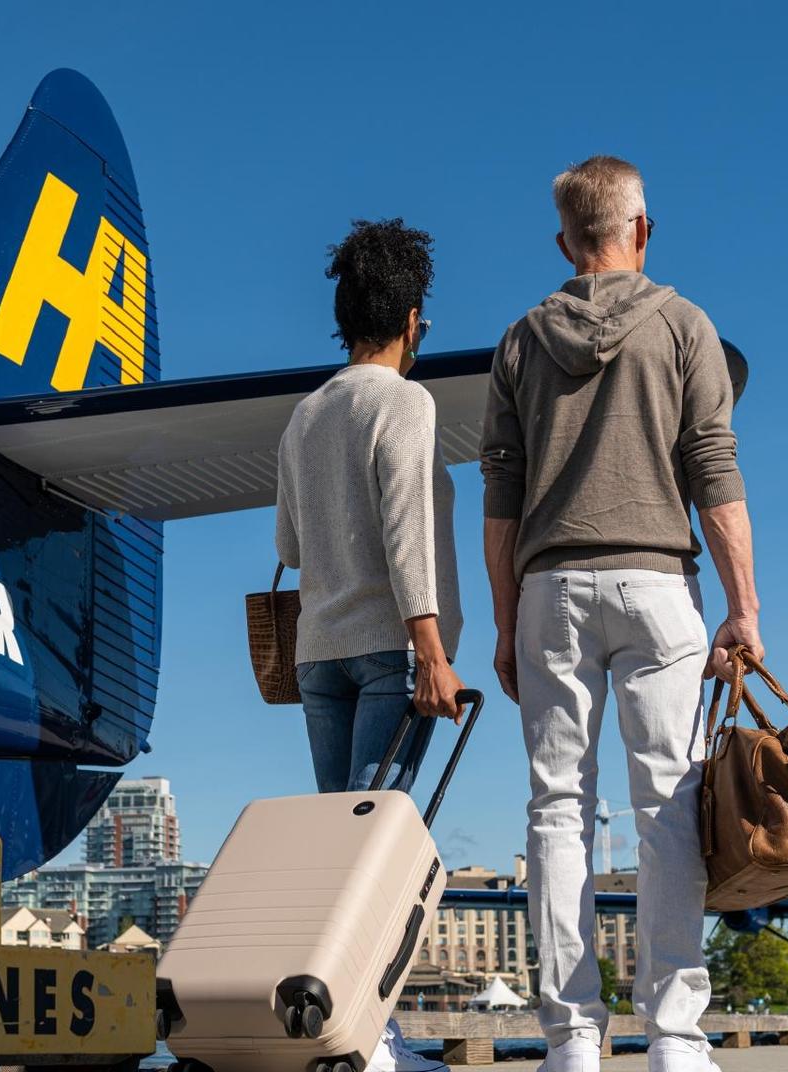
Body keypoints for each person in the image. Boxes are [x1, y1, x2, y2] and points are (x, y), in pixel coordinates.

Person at [481, 157, 762, 1072]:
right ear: (642, 229)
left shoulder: (520, 341)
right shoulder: (685, 326)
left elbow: (500, 502)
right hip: (656, 586)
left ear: (565, 242)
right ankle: (675, 1037)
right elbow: (714, 472)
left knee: (556, 812)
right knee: (667, 807)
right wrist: (744, 607)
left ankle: (570, 1040)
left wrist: (502, 620)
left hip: (550, 591)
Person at [274, 218, 465, 1072]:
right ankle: (369, 1036)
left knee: (336, 854)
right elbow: (408, 536)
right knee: (372, 857)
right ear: (414, 319)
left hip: (320, 652)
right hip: (394, 648)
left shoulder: (304, 417)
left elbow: (288, 546)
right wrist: (430, 650)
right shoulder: (406, 403)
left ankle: (337, 1025)